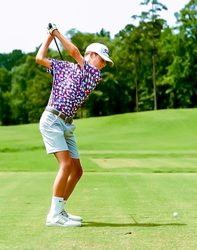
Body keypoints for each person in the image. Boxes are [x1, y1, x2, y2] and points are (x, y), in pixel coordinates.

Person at [35, 23, 113, 227]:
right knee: (66, 165)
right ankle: (53, 217)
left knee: (77, 171)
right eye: (102, 60)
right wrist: (50, 37)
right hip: (52, 119)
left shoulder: (94, 75)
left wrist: (56, 33)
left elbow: (74, 52)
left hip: (67, 125)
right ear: (92, 55)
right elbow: (40, 59)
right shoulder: (64, 67)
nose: (104, 64)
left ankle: (60, 210)